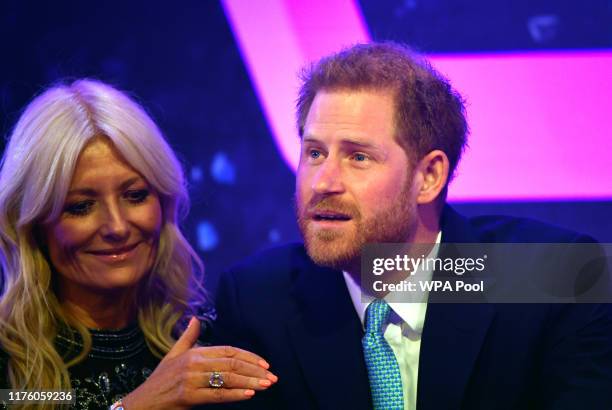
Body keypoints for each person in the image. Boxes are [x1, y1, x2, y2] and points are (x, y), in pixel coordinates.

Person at [212, 42, 612, 409]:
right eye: (315, 153)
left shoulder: (551, 283)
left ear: (430, 176)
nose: (322, 182)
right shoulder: (257, 302)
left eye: (358, 158)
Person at [0, 79, 277, 410]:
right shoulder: (11, 364)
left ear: (163, 202)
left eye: (135, 196)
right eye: (81, 206)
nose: (117, 226)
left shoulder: (206, 334)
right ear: (34, 223)